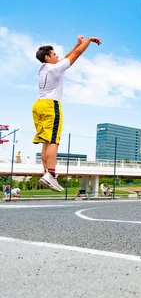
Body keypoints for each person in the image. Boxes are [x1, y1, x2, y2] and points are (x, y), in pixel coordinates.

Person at [33, 35, 101, 192]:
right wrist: (88, 41)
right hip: (51, 105)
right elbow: (75, 56)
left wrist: (77, 44)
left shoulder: (44, 69)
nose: (57, 55)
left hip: (38, 105)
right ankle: (51, 174)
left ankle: (46, 173)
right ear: (47, 57)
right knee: (53, 141)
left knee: (45, 141)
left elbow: (66, 57)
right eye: (54, 54)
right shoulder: (55, 68)